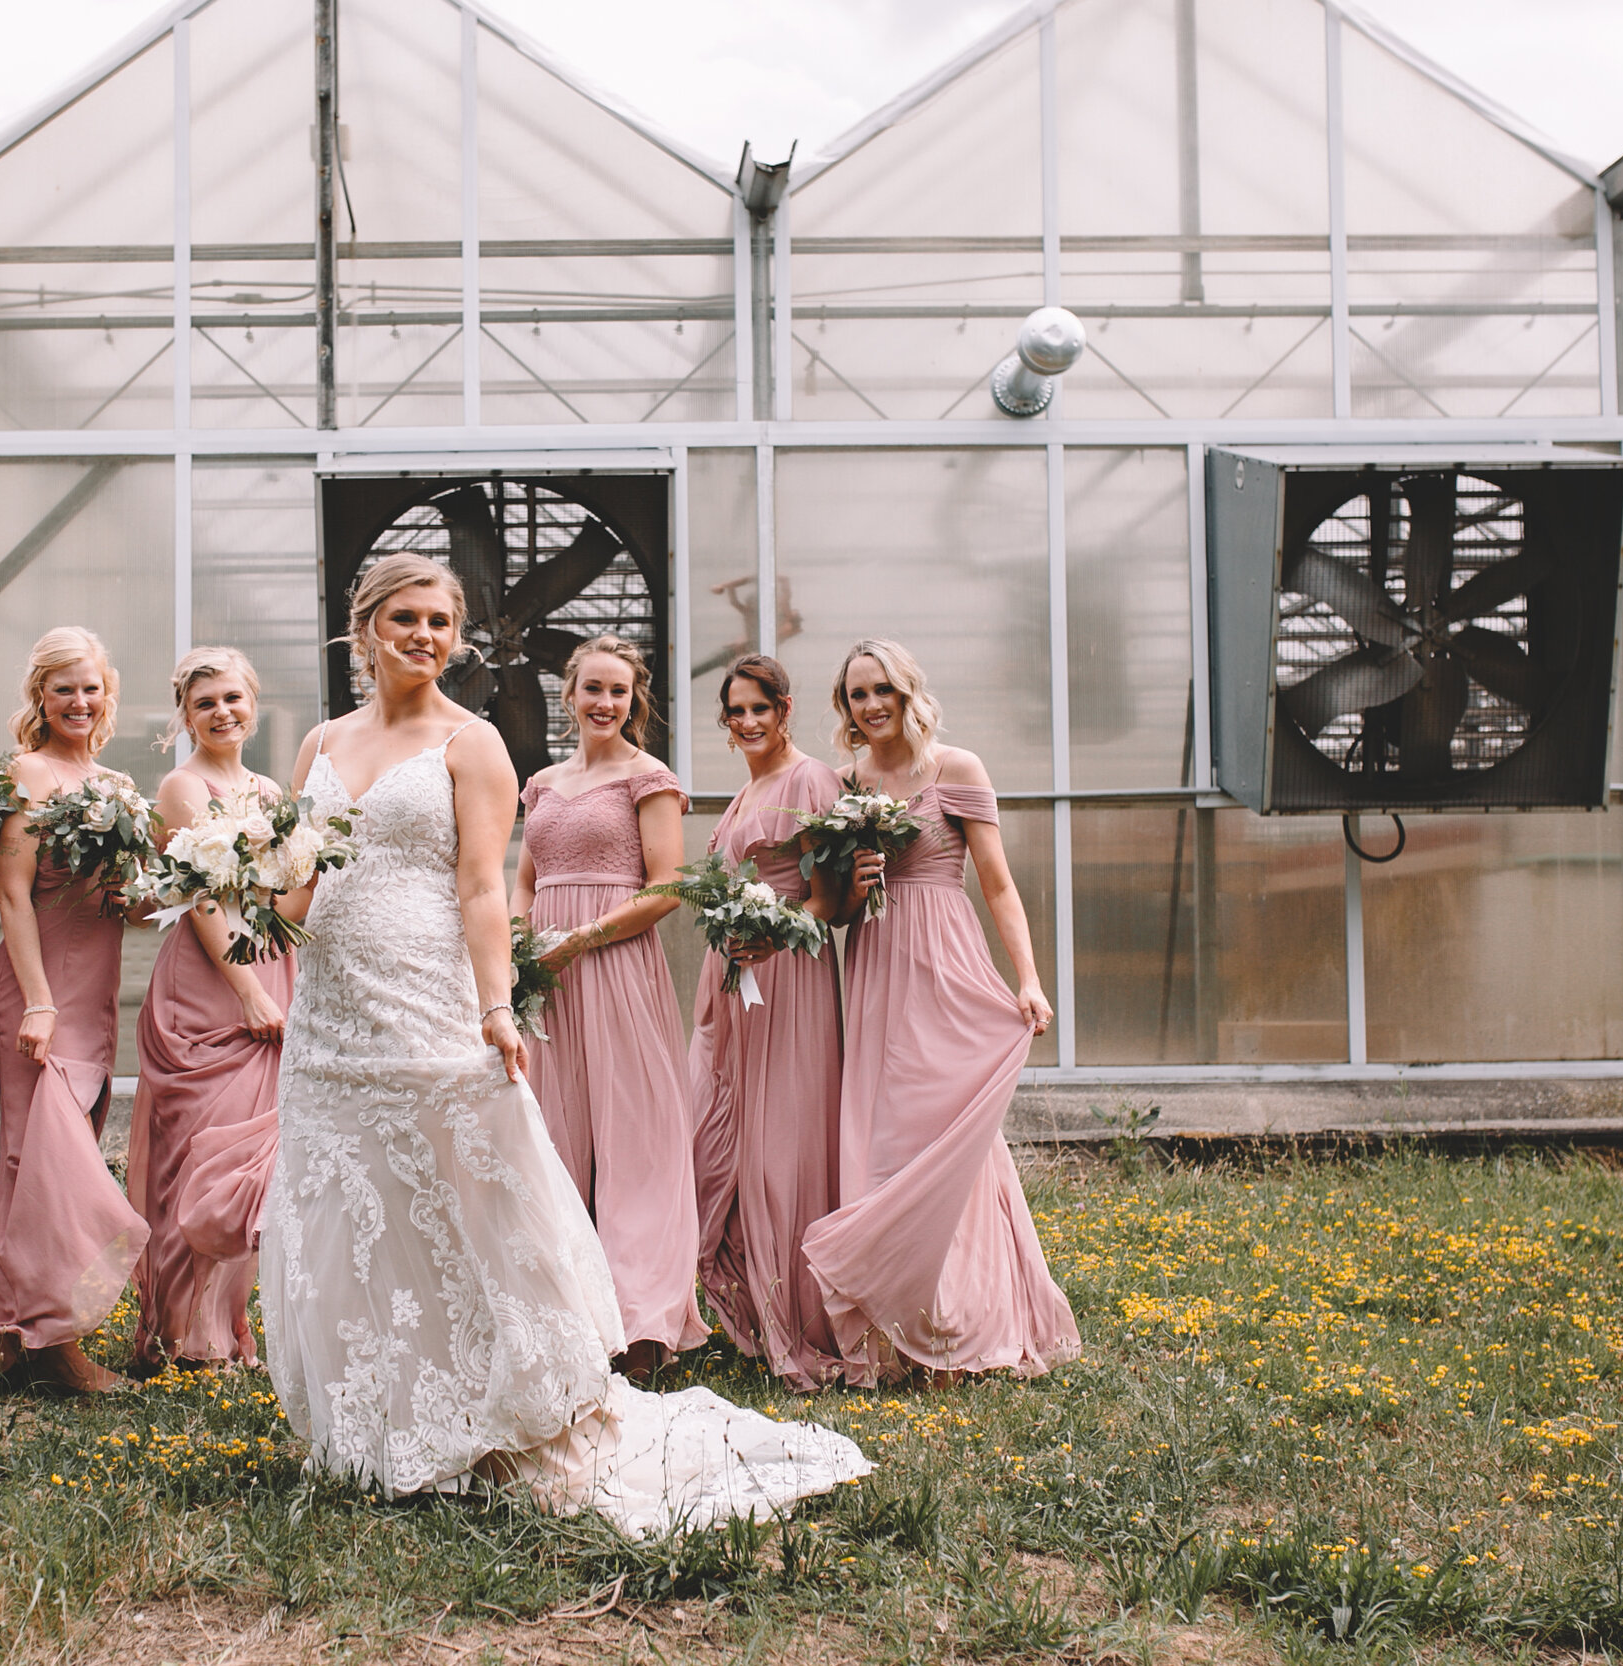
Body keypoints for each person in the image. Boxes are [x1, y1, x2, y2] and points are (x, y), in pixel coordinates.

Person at [259, 553, 869, 1536]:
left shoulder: (474, 744)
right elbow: (293, 886)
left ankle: (511, 1401)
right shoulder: (321, 743)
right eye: (405, 618)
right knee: (348, 1201)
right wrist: (233, 880)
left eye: (439, 621)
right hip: (331, 1014)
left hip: (428, 996)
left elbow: (483, 887)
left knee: (464, 1190)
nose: (424, 636)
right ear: (365, 623)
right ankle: (377, 1418)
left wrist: (497, 1005)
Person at [799, 639, 1081, 1383]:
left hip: (944, 960)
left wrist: (1028, 978)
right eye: (857, 694)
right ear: (847, 708)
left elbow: (997, 884)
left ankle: (966, 1322)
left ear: (907, 691)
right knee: (886, 1138)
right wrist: (855, 885)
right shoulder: (844, 783)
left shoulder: (956, 769)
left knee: (947, 1134)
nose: (871, 705)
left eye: (882, 689)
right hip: (876, 966)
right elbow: (831, 913)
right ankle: (902, 1328)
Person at [510, 636, 705, 1377]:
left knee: (635, 1134)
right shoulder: (542, 782)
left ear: (635, 700)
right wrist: (522, 948)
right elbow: (524, 882)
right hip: (545, 976)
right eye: (592, 688)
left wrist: (582, 938)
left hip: (615, 964)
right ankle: (564, 1309)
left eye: (618, 692)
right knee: (550, 1133)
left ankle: (643, 1319)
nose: (604, 703)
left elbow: (668, 885)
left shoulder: (647, 777)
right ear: (569, 694)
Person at [0, 627, 149, 1392]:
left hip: (96, 982)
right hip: (37, 985)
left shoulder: (119, 785)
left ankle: (12, 1334)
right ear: (40, 698)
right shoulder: (28, 772)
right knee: (40, 1158)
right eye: (63, 689)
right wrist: (40, 1002)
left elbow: (138, 902)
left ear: (105, 695)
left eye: (91, 688)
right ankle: (55, 1341)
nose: (79, 702)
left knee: (44, 1158)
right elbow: (10, 893)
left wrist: (133, 897)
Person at [125, 647, 293, 1370]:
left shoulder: (272, 790)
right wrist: (248, 988)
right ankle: (184, 1332)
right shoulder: (181, 786)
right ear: (185, 716)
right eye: (205, 704)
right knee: (202, 1156)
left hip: (274, 965)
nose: (222, 713)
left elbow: (290, 889)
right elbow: (199, 895)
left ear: (252, 701)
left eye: (232, 698)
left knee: (257, 1158)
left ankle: (227, 1326)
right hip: (210, 981)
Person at [688, 654, 852, 1391]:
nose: (748, 722)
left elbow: (829, 898)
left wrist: (775, 932)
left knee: (782, 1143)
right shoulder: (745, 789)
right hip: (733, 983)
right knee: (720, 1134)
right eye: (736, 712)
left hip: (788, 981)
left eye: (760, 708)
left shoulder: (811, 780)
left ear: (785, 709)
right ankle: (751, 1305)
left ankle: (802, 1313)